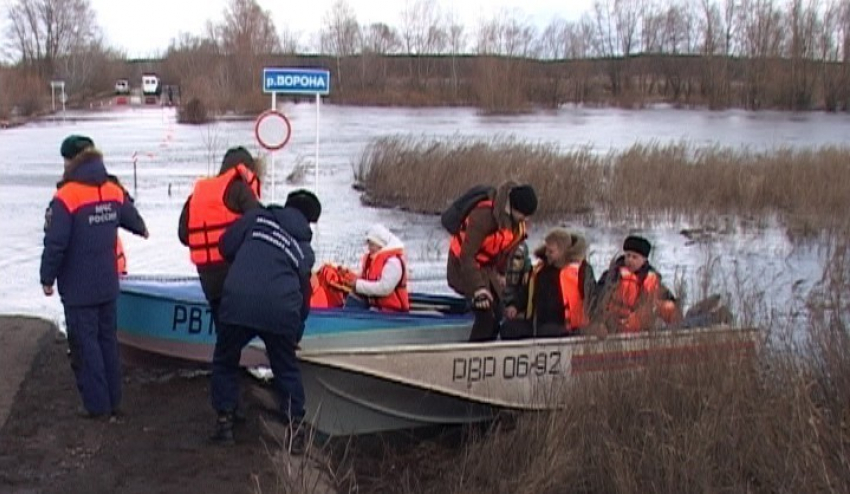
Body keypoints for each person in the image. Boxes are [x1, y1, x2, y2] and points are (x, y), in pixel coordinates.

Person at [40, 135, 148, 419]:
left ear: (70, 161)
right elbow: (134, 221)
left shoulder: (67, 196)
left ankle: (97, 407)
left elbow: (56, 244)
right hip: (107, 283)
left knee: (85, 346)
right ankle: (114, 402)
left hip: (78, 288)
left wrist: (46, 278)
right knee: (107, 342)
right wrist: (140, 228)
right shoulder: (112, 189)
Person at [209, 189, 321, 452]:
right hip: (280, 311)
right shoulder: (305, 251)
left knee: (225, 360)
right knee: (286, 368)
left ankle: (225, 422)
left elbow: (225, 245)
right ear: (309, 221)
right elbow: (304, 295)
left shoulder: (257, 218)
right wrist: (297, 330)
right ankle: (295, 432)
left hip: (238, 302)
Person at [177, 146, 261, 331]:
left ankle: (226, 358)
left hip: (208, 276)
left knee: (224, 331)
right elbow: (260, 224)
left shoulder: (196, 196)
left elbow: (183, 236)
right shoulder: (239, 189)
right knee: (240, 329)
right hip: (236, 272)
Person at [447, 181, 537, 342]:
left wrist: (501, 275)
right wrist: (479, 289)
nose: (526, 219)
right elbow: (466, 256)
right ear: (514, 208)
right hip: (462, 267)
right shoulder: (483, 216)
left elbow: (505, 251)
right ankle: (473, 355)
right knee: (485, 315)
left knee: (498, 312)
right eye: (524, 215)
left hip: (486, 269)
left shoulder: (516, 224)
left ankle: (487, 349)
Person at [503, 228, 595, 339]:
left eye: (551, 251)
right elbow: (527, 292)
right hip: (539, 325)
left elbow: (593, 298)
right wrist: (515, 306)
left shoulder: (582, 271)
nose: (546, 254)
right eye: (546, 250)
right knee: (507, 328)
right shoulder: (541, 272)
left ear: (562, 251)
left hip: (569, 328)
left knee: (548, 330)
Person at [593, 235, 681, 335]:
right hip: (615, 322)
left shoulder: (652, 277)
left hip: (640, 322)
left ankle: (676, 335)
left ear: (644, 260)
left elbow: (668, 298)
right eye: (628, 255)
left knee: (669, 307)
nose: (630, 260)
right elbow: (598, 297)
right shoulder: (612, 275)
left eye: (634, 257)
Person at [342, 224, 410, 312]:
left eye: (372, 245)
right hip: (377, 307)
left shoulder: (393, 263)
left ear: (381, 245)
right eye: (369, 245)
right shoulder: (371, 259)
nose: (369, 248)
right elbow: (362, 277)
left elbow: (384, 288)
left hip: (392, 312)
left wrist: (358, 285)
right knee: (353, 297)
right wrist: (348, 279)